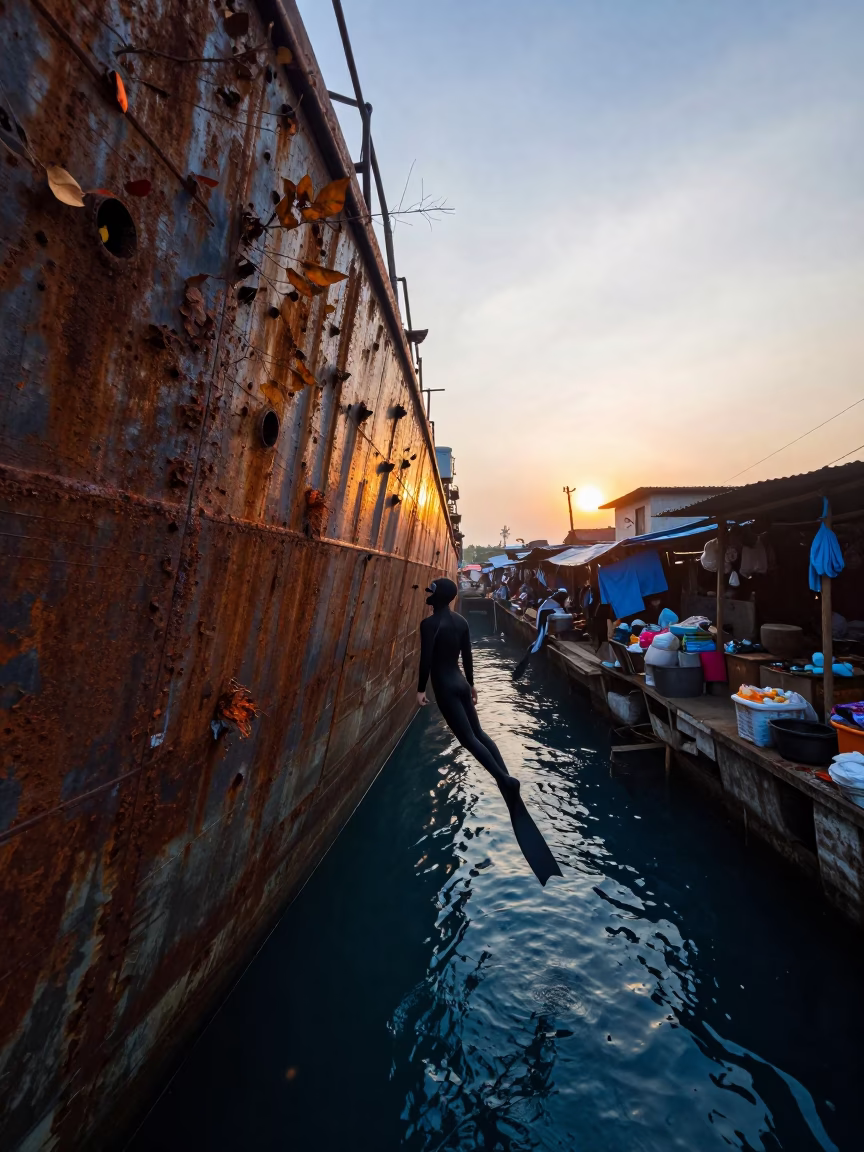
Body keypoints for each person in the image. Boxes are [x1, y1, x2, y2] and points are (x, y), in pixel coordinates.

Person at [416, 578, 562, 886]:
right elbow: (468, 656)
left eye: (430, 591)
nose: (427, 595)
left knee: (468, 740)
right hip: (460, 682)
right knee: (480, 733)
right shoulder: (461, 621)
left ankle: (504, 780)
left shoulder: (429, 625)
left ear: (439, 596)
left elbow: (426, 661)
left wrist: (419, 691)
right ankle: (505, 775)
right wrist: (472, 686)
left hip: (443, 685)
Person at [512, 587, 570, 679]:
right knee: (538, 643)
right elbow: (565, 610)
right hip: (544, 614)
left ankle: (522, 667)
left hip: (543, 613)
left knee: (539, 640)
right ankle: (522, 668)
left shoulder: (555, 597)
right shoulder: (562, 597)